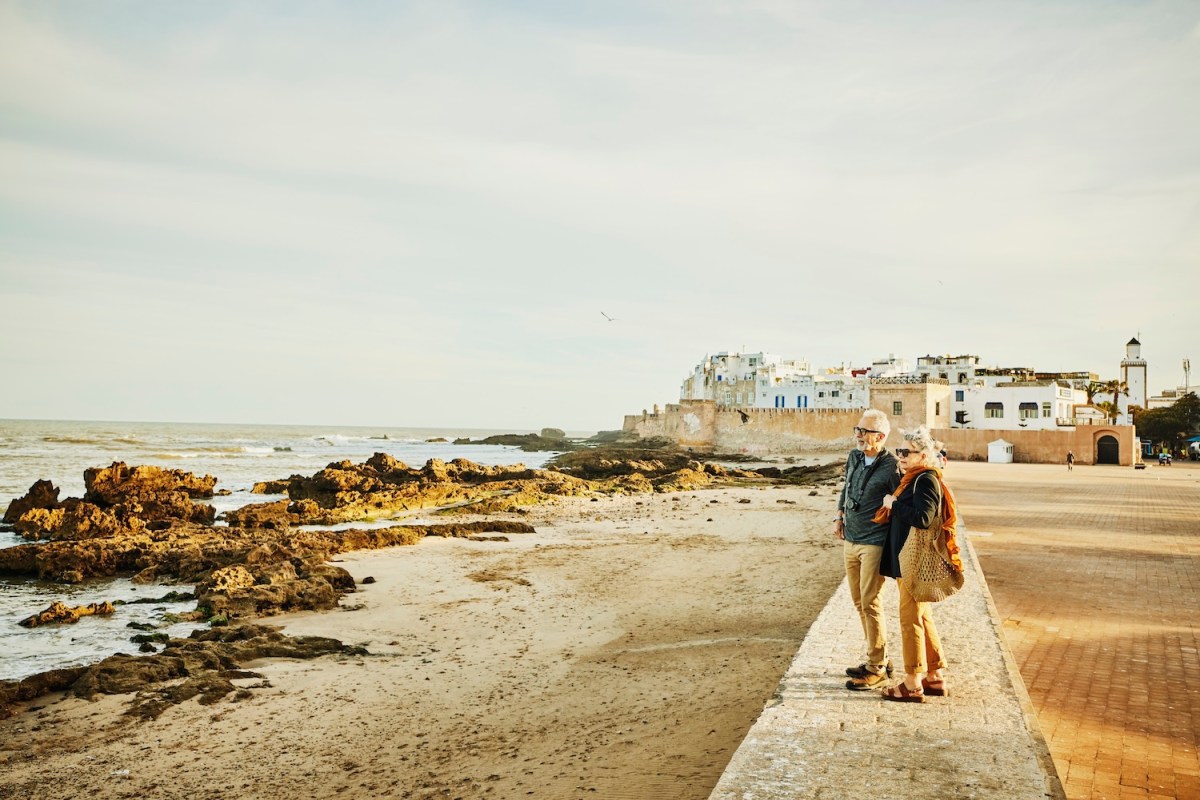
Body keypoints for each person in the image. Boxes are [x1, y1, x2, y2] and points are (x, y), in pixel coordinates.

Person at [875, 426, 962, 703]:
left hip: (913, 561)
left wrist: (892, 504)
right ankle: (935, 677)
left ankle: (912, 683)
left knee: (909, 620)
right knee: (922, 617)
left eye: (905, 452)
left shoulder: (924, 480)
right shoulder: (914, 478)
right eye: (899, 451)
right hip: (907, 559)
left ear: (923, 455)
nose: (900, 456)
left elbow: (924, 517)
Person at [836, 409, 901, 690]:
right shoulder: (854, 457)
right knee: (859, 602)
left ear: (881, 437)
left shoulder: (891, 467)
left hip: (874, 541)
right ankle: (879, 657)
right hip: (850, 537)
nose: (859, 436)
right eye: (858, 430)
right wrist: (839, 516)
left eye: (865, 432)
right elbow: (847, 487)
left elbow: (901, 498)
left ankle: (876, 668)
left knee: (871, 603)